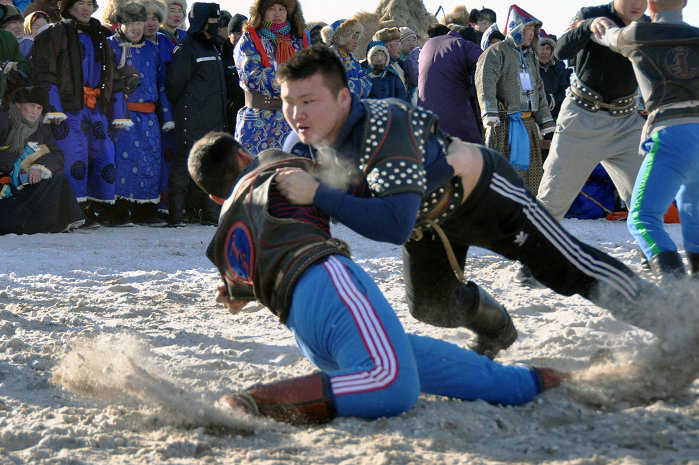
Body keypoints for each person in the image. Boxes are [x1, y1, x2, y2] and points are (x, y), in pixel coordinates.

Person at [274, 45, 699, 361]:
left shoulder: (384, 123)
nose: (298, 114)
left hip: (482, 195)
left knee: (570, 268)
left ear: (343, 97)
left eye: (309, 101)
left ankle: (677, 323)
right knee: (429, 306)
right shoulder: (301, 143)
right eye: (289, 102)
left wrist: (318, 194)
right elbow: (273, 200)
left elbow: (391, 223)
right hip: (426, 224)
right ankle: (497, 327)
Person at [185, 132, 568, 424]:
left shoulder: (226, 229)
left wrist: (238, 292)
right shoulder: (271, 164)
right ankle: (253, 401)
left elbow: (238, 289)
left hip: (307, 329)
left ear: (218, 198)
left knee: (441, 370)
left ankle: (543, 381)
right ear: (241, 155)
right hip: (328, 285)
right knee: (391, 383)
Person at [590, 0, 699, 277]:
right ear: (683, 3)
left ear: (650, 5)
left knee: (642, 218)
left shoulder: (639, 33)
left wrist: (598, 25)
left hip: (670, 131)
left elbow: (609, 36)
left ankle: (674, 279)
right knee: (692, 206)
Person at [537, 0, 651, 225]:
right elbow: (560, 52)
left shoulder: (647, 27)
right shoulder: (593, 14)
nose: (638, 3)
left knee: (647, 202)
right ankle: (530, 263)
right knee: (551, 202)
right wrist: (586, 26)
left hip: (627, 123)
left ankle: (656, 260)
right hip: (582, 118)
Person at [31, 0, 125, 226]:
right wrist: (54, 109)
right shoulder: (55, 33)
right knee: (75, 158)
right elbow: (46, 72)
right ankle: (73, 211)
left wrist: (116, 109)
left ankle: (99, 208)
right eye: (80, 3)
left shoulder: (102, 35)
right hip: (68, 109)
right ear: (69, 6)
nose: (85, 8)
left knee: (105, 154)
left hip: (96, 108)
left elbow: (112, 75)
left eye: (89, 4)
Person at [0, 86, 83, 234]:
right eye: (31, 106)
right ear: (18, 105)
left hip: (25, 182)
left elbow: (57, 154)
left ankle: (53, 223)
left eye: (39, 108)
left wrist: (39, 167)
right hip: (1, 188)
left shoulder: (42, 129)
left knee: (59, 178)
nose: (35, 112)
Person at [475, 5, 554, 195]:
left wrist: (547, 124)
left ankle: (524, 214)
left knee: (530, 177)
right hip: (503, 125)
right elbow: (485, 82)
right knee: (501, 176)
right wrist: (490, 113)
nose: (531, 34)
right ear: (517, 28)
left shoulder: (531, 58)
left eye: (533, 30)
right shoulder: (496, 52)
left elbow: (539, 92)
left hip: (528, 126)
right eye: (528, 29)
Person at [107, 2, 173, 225]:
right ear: (121, 23)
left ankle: (145, 211)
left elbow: (161, 83)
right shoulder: (111, 46)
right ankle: (118, 211)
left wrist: (168, 116)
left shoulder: (152, 49)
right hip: (122, 116)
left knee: (149, 162)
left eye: (140, 23)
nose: (136, 28)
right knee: (121, 163)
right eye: (131, 23)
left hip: (149, 117)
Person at [165, 1, 228, 226]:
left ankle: (211, 216)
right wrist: (187, 110)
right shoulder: (188, 47)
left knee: (211, 167)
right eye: (213, 21)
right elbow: (174, 85)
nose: (216, 25)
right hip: (192, 118)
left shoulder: (214, 46)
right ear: (201, 22)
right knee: (184, 166)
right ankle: (175, 216)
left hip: (213, 119)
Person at [234, 0, 307, 156]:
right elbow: (251, 75)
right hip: (259, 119)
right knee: (256, 172)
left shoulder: (298, 39)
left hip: (292, 118)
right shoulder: (250, 38)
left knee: (291, 171)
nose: (277, 14)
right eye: (271, 9)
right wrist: (292, 83)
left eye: (282, 9)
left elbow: (309, 71)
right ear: (261, 11)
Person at [416, 26, 484, 143]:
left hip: (424, 116)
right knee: (468, 150)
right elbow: (486, 64)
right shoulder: (465, 46)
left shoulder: (428, 44)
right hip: (455, 115)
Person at [321, 18, 371, 98]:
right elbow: (334, 84)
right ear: (342, 37)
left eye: (357, 38)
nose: (356, 41)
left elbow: (367, 80)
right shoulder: (329, 55)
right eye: (353, 37)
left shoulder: (354, 58)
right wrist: (358, 84)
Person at [536, 34, 569, 123]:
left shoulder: (557, 69)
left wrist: (553, 100)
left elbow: (565, 90)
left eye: (548, 49)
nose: (544, 52)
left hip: (554, 116)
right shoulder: (528, 69)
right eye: (541, 48)